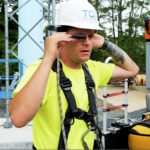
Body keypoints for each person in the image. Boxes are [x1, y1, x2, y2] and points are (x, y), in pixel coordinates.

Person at [9, 0, 139, 149]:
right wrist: (48, 57)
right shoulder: (42, 70)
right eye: (80, 36)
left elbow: (132, 70)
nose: (87, 43)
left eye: (91, 36)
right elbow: (18, 119)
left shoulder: (91, 69)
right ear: (61, 37)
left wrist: (105, 43)